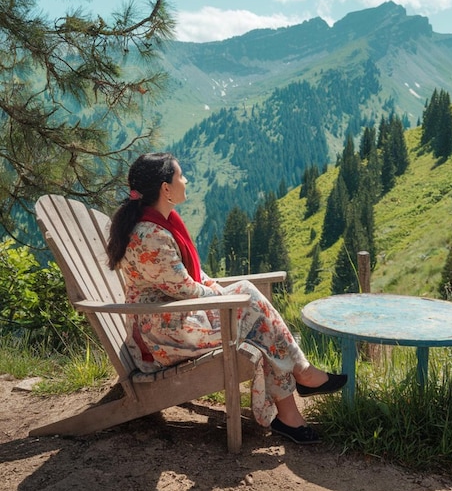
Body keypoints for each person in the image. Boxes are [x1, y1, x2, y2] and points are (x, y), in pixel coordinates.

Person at [106, 152, 346, 445]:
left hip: (178, 319)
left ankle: (292, 410)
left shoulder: (160, 223)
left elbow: (195, 278)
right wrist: (222, 294)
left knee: (255, 317)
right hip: (164, 336)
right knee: (253, 313)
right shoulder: (148, 235)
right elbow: (186, 289)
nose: (185, 180)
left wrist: (218, 290)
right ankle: (301, 382)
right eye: (180, 176)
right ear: (165, 189)